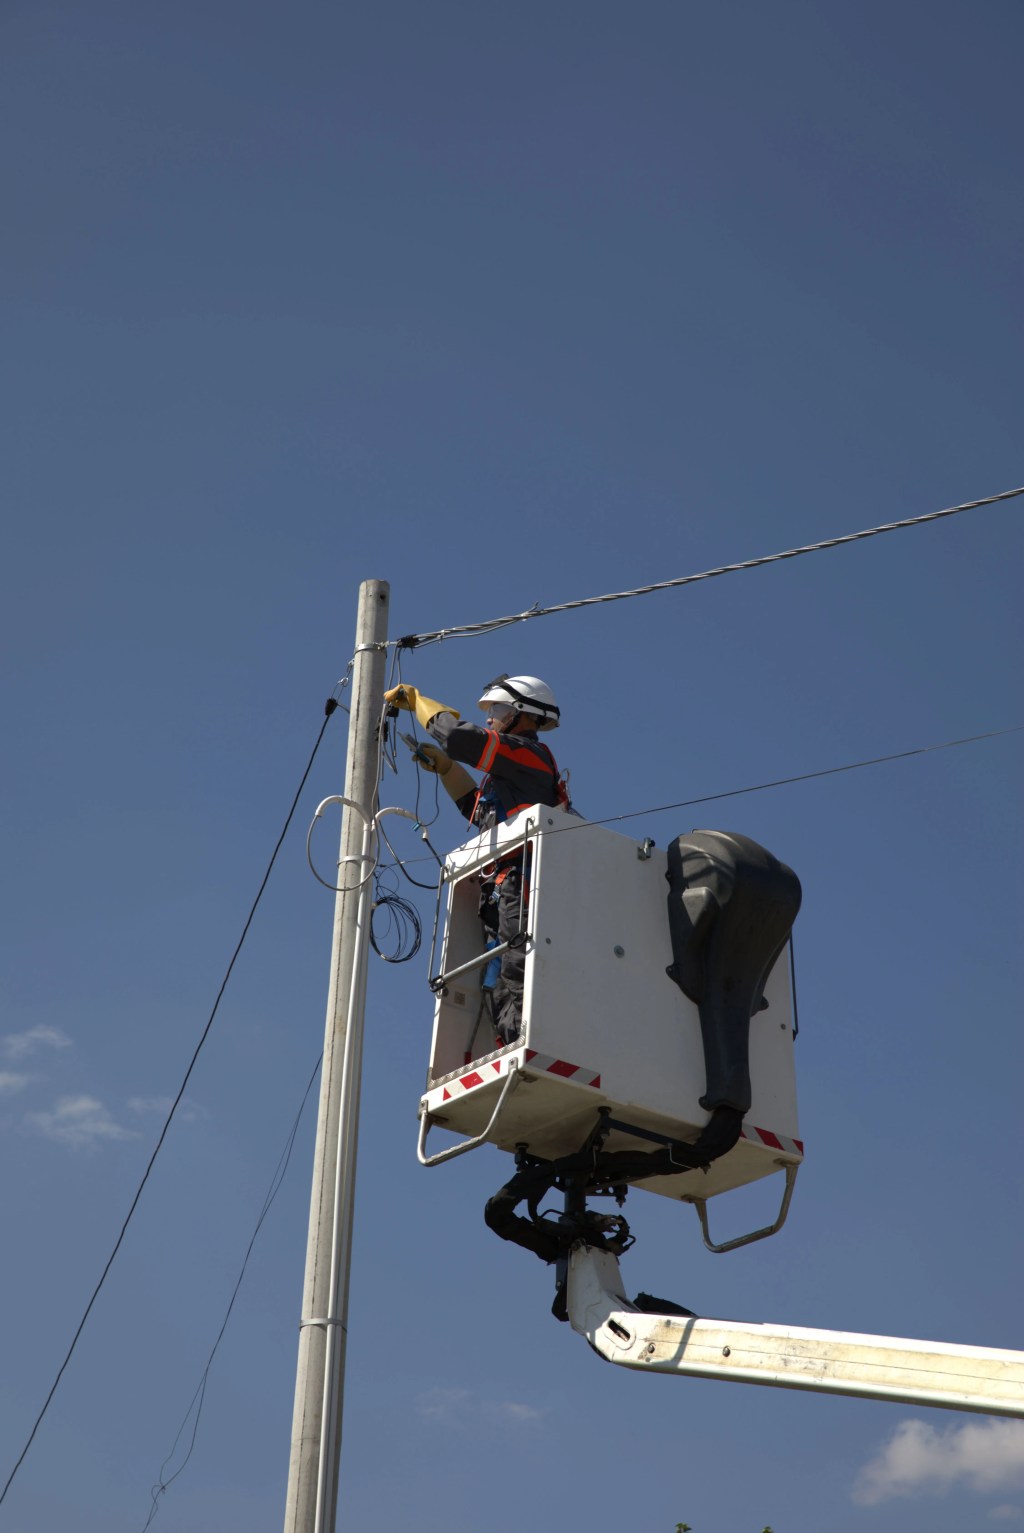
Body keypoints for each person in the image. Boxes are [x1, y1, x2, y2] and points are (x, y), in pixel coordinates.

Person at [383, 674, 569, 1046]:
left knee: (518, 971)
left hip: (523, 880)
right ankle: (509, 1046)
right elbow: (477, 808)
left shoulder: (528, 754)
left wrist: (419, 702)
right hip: (500, 892)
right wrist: (448, 770)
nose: (488, 717)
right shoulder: (509, 773)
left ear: (522, 714)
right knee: (496, 984)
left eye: (496, 709)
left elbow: (459, 739)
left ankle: (525, 1044)